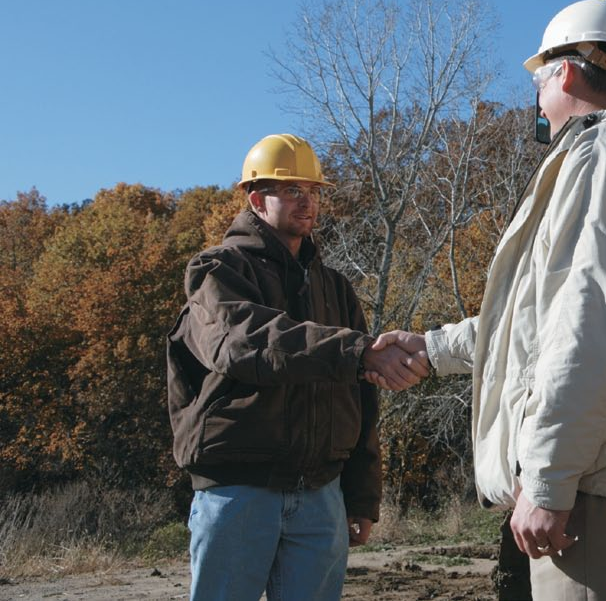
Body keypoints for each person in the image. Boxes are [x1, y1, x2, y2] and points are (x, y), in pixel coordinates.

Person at [370, 0, 606, 601]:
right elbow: (534, 321)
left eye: (539, 77)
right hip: (605, 484)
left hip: (599, 494)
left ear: (570, 73)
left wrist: (550, 478)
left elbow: (594, 325)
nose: (535, 94)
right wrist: (430, 348)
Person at [166, 133, 430, 601]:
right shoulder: (216, 271)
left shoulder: (336, 287)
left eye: (313, 192)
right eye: (292, 190)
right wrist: (356, 350)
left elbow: (360, 397)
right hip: (238, 491)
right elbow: (242, 341)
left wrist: (362, 495)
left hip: (321, 494)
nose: (307, 202)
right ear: (255, 198)